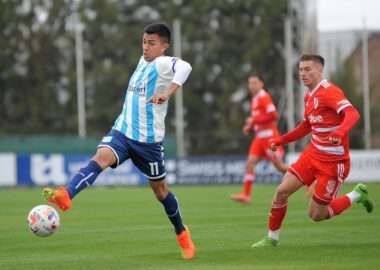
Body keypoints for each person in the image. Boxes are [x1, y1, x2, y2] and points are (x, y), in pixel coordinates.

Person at [42, 23, 195, 260]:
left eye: (151, 43)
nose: (145, 47)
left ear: (164, 46)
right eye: (144, 41)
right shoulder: (143, 58)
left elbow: (186, 67)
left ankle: (181, 232)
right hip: (123, 131)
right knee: (100, 157)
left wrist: (168, 92)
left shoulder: (163, 63)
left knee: (160, 192)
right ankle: (67, 194)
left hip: (148, 142)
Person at [252, 53, 374, 248]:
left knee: (317, 215)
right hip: (312, 155)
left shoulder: (329, 92)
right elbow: (307, 125)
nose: (302, 73)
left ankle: (357, 195)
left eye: (307, 69)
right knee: (281, 191)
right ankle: (272, 239)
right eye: (300, 69)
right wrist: (281, 139)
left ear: (320, 70)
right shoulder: (309, 95)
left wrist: (340, 132)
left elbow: (352, 113)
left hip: (333, 164)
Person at [230, 74, 288, 204]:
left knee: (279, 166)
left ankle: (307, 178)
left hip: (269, 138)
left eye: (255, 83)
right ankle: (246, 195)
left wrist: (253, 120)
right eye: (250, 83)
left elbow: (274, 115)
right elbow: (258, 118)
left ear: (261, 84)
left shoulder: (263, 97)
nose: (252, 85)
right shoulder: (255, 98)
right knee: (249, 164)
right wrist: (250, 126)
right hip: (259, 138)